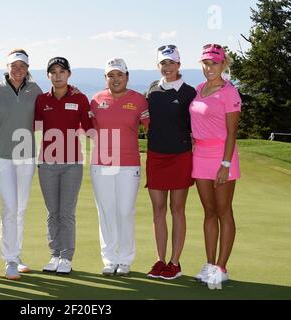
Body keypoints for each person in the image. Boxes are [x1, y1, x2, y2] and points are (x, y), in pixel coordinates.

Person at [0, 49, 43, 280]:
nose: (18, 70)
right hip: (3, 156)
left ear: (28, 69)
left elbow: (49, 107)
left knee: (21, 207)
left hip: (26, 156)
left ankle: (16, 255)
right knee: (9, 207)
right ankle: (9, 259)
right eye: (14, 66)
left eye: (22, 66)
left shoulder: (35, 90)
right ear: (7, 67)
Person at [89, 58, 149, 276]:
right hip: (101, 164)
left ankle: (124, 259)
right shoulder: (96, 100)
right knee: (106, 212)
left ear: (127, 76)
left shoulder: (139, 100)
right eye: (111, 75)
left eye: (119, 75)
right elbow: (86, 127)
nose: (115, 79)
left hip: (129, 164)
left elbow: (153, 128)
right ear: (106, 78)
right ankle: (109, 258)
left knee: (124, 211)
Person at [189, 44, 241, 288]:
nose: (210, 68)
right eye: (206, 63)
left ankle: (221, 268)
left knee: (223, 211)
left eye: (215, 63)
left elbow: (232, 132)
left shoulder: (230, 92)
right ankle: (210, 265)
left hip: (222, 156)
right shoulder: (200, 89)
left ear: (224, 65)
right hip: (200, 156)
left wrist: (225, 164)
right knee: (209, 212)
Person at [34, 57, 93, 275]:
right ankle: (54, 254)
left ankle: (66, 257)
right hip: (47, 162)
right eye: (53, 72)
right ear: (48, 75)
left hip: (72, 163)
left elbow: (89, 127)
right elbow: (30, 123)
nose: (58, 75)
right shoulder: (41, 100)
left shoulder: (80, 98)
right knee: (52, 212)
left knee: (66, 212)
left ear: (69, 74)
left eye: (62, 71)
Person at [145, 45, 196, 280]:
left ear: (179, 64)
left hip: (180, 156)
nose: (167, 67)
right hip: (156, 156)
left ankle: (174, 263)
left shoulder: (189, 92)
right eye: (163, 63)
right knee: (158, 210)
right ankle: (160, 260)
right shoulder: (152, 90)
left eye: (171, 63)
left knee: (177, 210)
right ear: (159, 66)